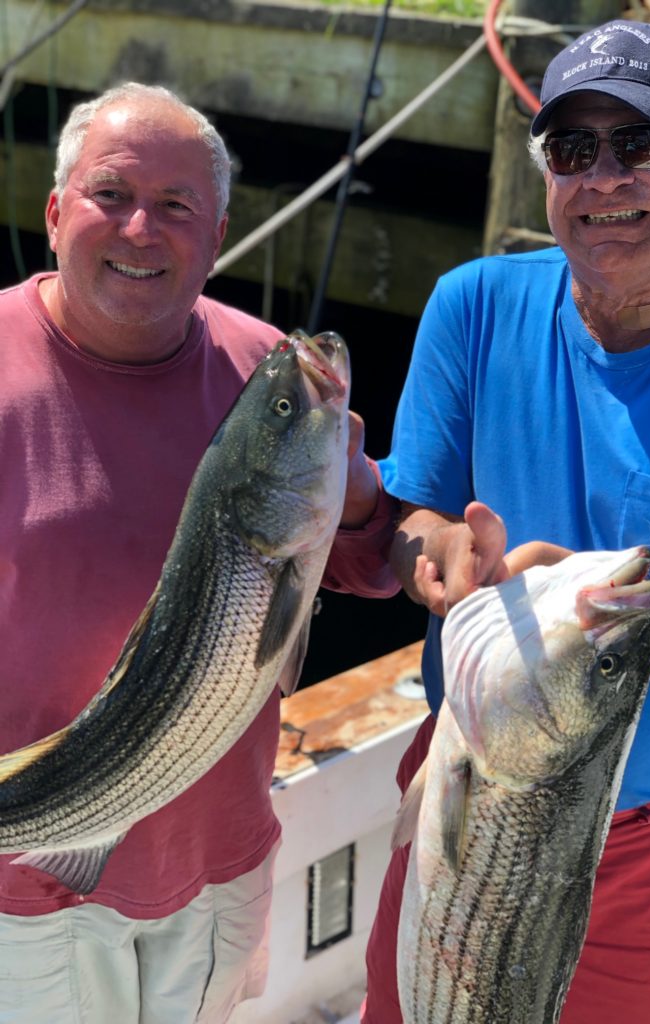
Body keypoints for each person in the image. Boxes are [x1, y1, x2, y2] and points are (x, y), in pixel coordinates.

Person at [363, 19, 650, 1024]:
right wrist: (438, 556)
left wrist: (603, 608)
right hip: (465, 793)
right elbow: (415, 514)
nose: (603, 176)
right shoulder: (470, 305)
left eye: (641, 143)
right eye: (573, 147)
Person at [0, 82, 399, 1024]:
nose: (141, 228)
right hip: (23, 884)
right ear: (54, 214)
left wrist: (361, 503)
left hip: (219, 864)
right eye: (110, 195)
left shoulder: (265, 367)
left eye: (176, 205)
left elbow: (367, 563)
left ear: (217, 237)